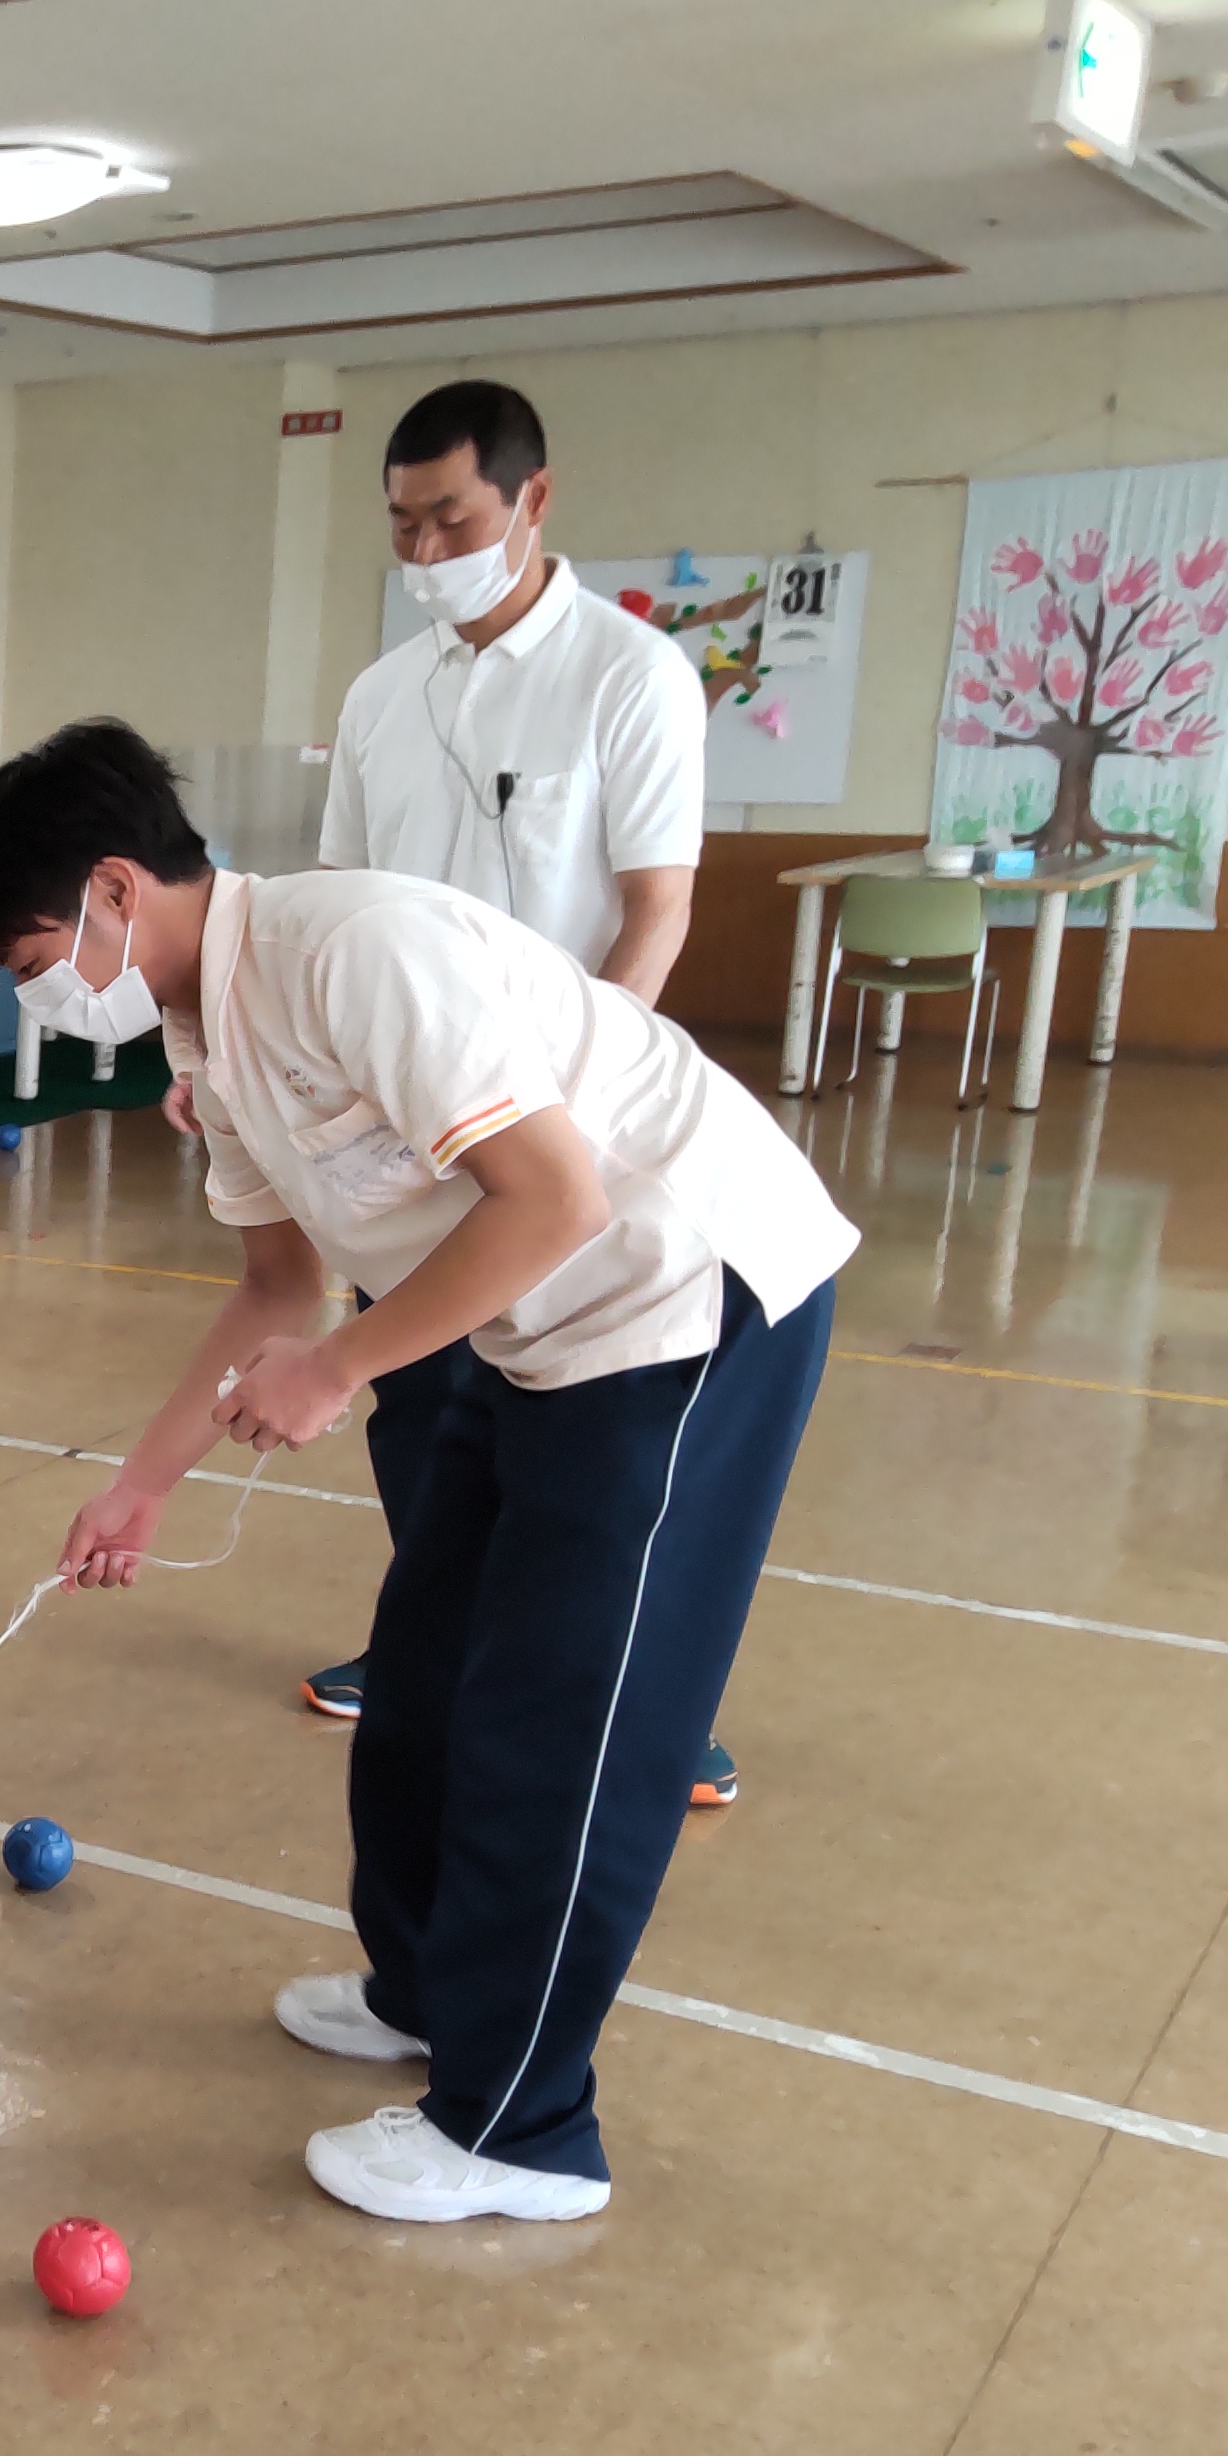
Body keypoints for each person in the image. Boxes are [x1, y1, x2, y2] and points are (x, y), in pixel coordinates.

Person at [0, 721, 852, 2225]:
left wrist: (350, 1369)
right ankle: (428, 1992)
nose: (35, 996)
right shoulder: (204, 1033)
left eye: (33, 954)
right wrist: (143, 1484)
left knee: (565, 1727)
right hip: (524, 1333)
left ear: (115, 889)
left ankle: (519, 2129)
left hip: (684, 1306)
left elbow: (553, 1194)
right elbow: (274, 1291)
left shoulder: (353, 951)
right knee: (425, 1682)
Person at [267, 380, 736, 1809]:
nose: (424, 552)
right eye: (401, 524)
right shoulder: (379, 693)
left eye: (452, 519)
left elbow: (654, 908)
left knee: (580, 1447)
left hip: (557, 1128)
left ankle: (642, 1712)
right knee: (419, 1408)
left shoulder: (627, 674)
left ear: (533, 501)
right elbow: (335, 901)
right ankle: (430, 1648)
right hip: (408, 1137)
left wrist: (574, 1100)